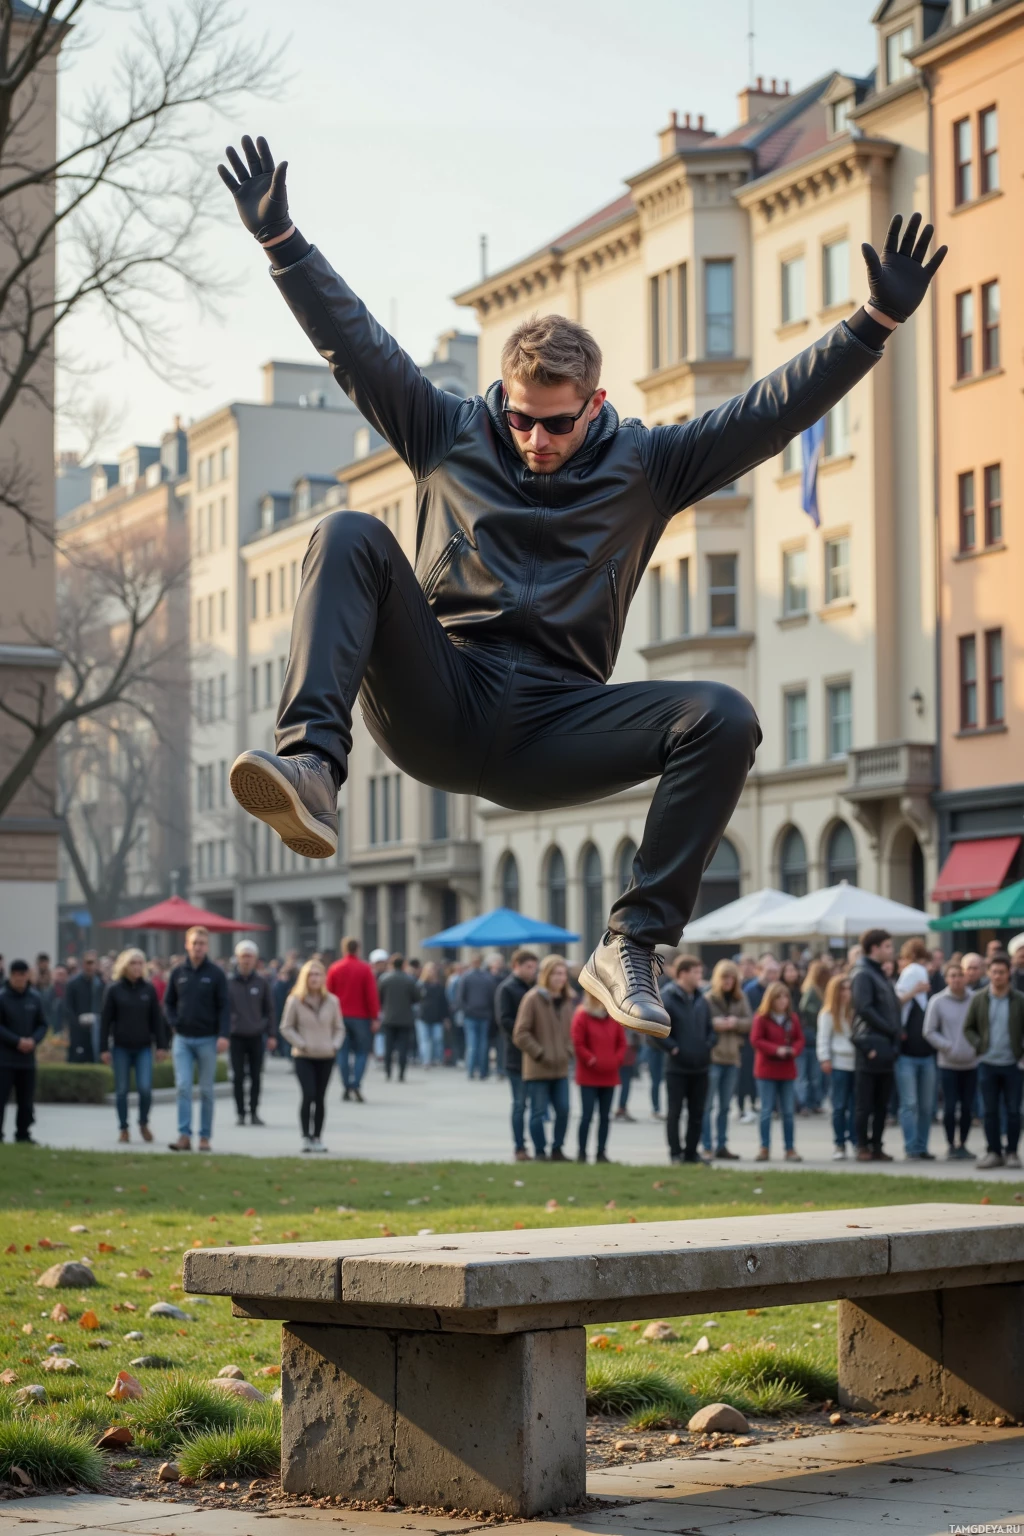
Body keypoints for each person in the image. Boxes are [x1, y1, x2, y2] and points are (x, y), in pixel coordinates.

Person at [217, 134, 943, 1039]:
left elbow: (766, 412)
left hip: (558, 724)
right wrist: (283, 243)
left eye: (555, 425)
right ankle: (315, 768)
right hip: (442, 694)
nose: (534, 440)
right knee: (349, 532)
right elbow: (354, 345)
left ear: (594, 403)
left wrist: (869, 326)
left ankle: (632, 944)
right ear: (500, 399)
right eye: (518, 420)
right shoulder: (446, 431)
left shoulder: (652, 465)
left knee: (723, 714)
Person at [164, 925, 230, 1152]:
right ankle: (184, 1134)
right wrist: (173, 1022)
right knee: (182, 1086)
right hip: (183, 1038)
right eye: (194, 943)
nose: (198, 947)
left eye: (202, 943)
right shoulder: (178, 972)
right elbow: (168, 1002)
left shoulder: (216, 974)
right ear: (187, 944)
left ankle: (204, 1137)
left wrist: (223, 1035)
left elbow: (224, 1007)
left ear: (207, 946)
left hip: (208, 1039)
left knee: (206, 1090)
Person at [964, 951, 1024, 1170]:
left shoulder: (1019, 1000)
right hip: (987, 1063)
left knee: (1013, 1111)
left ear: (1009, 974)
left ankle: (1012, 1152)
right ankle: (993, 1151)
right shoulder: (979, 998)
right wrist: (979, 1045)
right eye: (994, 972)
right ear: (988, 973)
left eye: (1002, 972)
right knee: (989, 1111)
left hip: (1012, 1064)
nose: (997, 976)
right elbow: (968, 1027)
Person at [100, 948, 166, 1143]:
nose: (137, 967)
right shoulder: (113, 989)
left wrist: (162, 1046)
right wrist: (103, 1048)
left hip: (143, 1047)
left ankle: (143, 1122)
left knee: (145, 1088)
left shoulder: (149, 989)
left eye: (140, 963)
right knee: (122, 1090)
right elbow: (105, 1021)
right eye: (133, 963)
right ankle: (123, 1128)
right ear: (124, 966)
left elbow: (157, 1019)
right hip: (121, 1047)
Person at [512, 954, 574, 1162]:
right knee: (538, 1113)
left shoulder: (566, 1001)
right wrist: (539, 1052)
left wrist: (569, 1050)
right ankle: (540, 1151)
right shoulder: (532, 998)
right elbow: (520, 1033)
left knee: (564, 1110)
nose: (560, 977)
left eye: (563, 973)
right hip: (538, 1067)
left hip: (561, 1067)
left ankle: (557, 1149)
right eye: (556, 973)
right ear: (547, 974)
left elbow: (570, 1031)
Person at [279, 956, 343, 1152]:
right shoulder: (295, 1001)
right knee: (308, 1095)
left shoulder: (332, 1001)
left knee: (320, 1097)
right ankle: (306, 1136)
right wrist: (301, 1043)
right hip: (304, 1055)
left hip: (326, 1054)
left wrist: (334, 1045)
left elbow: (339, 1028)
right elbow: (286, 1027)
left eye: (318, 974)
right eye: (311, 975)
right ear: (304, 978)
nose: (314, 978)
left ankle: (317, 1137)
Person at [656, 956, 715, 1165]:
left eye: (700, 972)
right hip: (677, 1068)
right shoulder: (667, 997)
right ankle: (675, 1153)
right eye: (695, 972)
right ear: (682, 973)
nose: (700, 977)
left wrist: (709, 1044)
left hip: (700, 1066)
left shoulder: (701, 999)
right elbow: (656, 1031)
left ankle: (691, 1153)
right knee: (675, 1112)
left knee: (697, 1112)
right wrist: (673, 1049)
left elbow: (709, 1027)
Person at [850, 928, 901, 1163]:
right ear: (875, 948)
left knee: (882, 1103)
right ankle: (862, 1145)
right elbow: (864, 1008)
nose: (891, 951)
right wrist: (890, 1028)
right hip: (870, 1045)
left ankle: (877, 1145)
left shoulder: (881, 974)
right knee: (865, 1103)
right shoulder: (863, 974)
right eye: (888, 946)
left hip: (886, 1047)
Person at [923, 960, 978, 1161]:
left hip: (971, 1063)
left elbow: (982, 1027)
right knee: (949, 1106)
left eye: (959, 975)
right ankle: (950, 1144)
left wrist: (975, 1047)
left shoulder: (975, 999)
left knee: (967, 1107)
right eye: (952, 976)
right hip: (948, 1063)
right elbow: (929, 1031)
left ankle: (963, 1143)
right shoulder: (937, 1001)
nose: (956, 980)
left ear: (965, 977)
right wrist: (948, 1046)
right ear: (947, 979)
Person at [702, 959, 752, 1160]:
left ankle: (722, 1144)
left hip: (732, 1058)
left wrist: (735, 1023)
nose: (728, 981)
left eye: (732, 977)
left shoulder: (741, 999)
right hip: (713, 1057)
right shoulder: (708, 998)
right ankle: (707, 1145)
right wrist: (715, 1024)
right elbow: (700, 1023)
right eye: (725, 977)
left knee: (724, 1107)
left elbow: (750, 1022)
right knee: (707, 1106)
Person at [750, 981, 804, 1162]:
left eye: (785, 997)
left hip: (787, 1070)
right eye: (778, 997)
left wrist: (793, 1050)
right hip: (767, 1070)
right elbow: (756, 1040)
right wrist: (776, 1049)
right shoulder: (761, 1018)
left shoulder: (792, 1018)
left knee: (788, 1112)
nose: (783, 1001)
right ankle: (764, 1147)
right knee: (766, 1111)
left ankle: (790, 1148)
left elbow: (799, 1039)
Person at [894, 938, 937, 1161]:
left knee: (926, 1105)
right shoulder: (913, 978)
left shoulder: (928, 989)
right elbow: (896, 1002)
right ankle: (912, 1147)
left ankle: (921, 1146)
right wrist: (913, 991)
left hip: (926, 1055)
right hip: (906, 1055)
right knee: (910, 1103)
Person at [571, 991, 626, 1163]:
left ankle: (601, 1152)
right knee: (586, 1115)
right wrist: (591, 1059)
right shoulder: (582, 1015)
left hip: (609, 1074)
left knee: (605, 1116)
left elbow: (622, 1043)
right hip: (589, 1074)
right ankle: (582, 1153)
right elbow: (578, 1042)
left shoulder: (614, 1017)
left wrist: (616, 1060)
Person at [495, 949, 538, 1161]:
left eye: (534, 967)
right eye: (528, 967)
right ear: (517, 966)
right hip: (516, 1055)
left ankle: (540, 1146)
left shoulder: (536, 987)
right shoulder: (507, 989)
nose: (533, 971)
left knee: (537, 1106)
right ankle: (519, 1146)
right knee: (520, 1104)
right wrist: (526, 1034)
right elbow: (504, 1020)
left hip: (536, 1056)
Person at [325, 937, 380, 1102]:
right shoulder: (364, 969)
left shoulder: (335, 968)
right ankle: (356, 1083)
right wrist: (375, 1017)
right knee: (362, 1052)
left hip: (340, 1016)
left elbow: (328, 994)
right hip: (361, 1017)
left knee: (342, 1051)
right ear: (358, 949)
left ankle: (346, 1084)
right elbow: (371, 995)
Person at [227, 940, 275, 1126]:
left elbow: (269, 1009)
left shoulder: (262, 982)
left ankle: (254, 1111)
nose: (246, 960)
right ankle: (240, 1112)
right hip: (236, 1035)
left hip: (256, 1036)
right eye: (243, 956)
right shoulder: (229, 982)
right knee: (238, 1076)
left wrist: (271, 1034)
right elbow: (222, 1009)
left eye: (250, 956)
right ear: (237, 958)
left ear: (255, 959)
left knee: (256, 1076)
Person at [0, 960, 46, 1143]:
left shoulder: (34, 998)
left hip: (27, 1060)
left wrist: (33, 1040)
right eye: (16, 975)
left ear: (28, 976)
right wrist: (16, 1041)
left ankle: (23, 1133)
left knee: (26, 1101)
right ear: (11, 976)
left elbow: (43, 1024)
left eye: (23, 974)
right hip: (5, 1059)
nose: (20, 978)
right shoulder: (2, 998)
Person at [817, 973, 857, 1159]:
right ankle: (839, 1143)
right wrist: (825, 1058)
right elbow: (823, 1039)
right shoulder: (828, 1014)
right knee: (839, 1106)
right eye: (842, 989)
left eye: (849, 988)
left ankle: (856, 1140)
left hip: (856, 1063)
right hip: (839, 1063)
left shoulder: (855, 1011)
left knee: (856, 1106)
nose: (846, 993)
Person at [739, 955, 778, 1124]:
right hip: (750, 1041)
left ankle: (761, 1104)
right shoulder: (750, 990)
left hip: (771, 1041)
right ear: (760, 971)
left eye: (776, 972)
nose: (773, 975)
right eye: (769, 971)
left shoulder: (777, 990)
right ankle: (743, 1106)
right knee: (746, 1075)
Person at [455, 954, 499, 1081]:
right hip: (484, 1014)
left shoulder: (466, 977)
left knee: (472, 1044)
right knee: (483, 1044)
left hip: (470, 1014)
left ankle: (471, 1070)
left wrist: (466, 1009)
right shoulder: (487, 978)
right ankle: (483, 1071)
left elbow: (460, 998)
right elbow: (492, 997)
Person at [378, 953, 419, 1082]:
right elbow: (417, 998)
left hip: (389, 1017)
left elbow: (379, 997)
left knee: (388, 1047)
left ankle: (388, 1072)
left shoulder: (385, 979)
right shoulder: (409, 980)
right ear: (403, 965)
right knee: (403, 1048)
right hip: (405, 1018)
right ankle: (401, 1073)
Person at [796, 959, 830, 1117]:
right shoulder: (812, 990)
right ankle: (805, 1103)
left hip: (814, 1036)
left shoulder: (820, 990)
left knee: (815, 1075)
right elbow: (805, 1009)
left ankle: (814, 1102)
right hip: (810, 1036)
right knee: (806, 1075)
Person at [62, 950, 104, 1063]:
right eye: (87, 963)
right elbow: (68, 1007)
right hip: (78, 1031)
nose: (90, 966)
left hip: (96, 1030)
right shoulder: (73, 983)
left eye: (92, 963)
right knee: (77, 1060)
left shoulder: (100, 984)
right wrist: (77, 1022)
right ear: (82, 964)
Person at [416, 961, 450, 1068]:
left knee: (437, 1039)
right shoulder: (420, 985)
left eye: (433, 970)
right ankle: (426, 1060)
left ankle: (436, 1058)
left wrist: (446, 1018)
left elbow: (444, 1003)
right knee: (425, 1040)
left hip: (437, 1017)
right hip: (423, 1016)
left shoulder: (439, 986)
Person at [271, 960, 297, 1058]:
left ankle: (285, 1052)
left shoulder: (286, 985)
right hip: (279, 1012)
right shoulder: (279, 985)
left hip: (283, 1012)